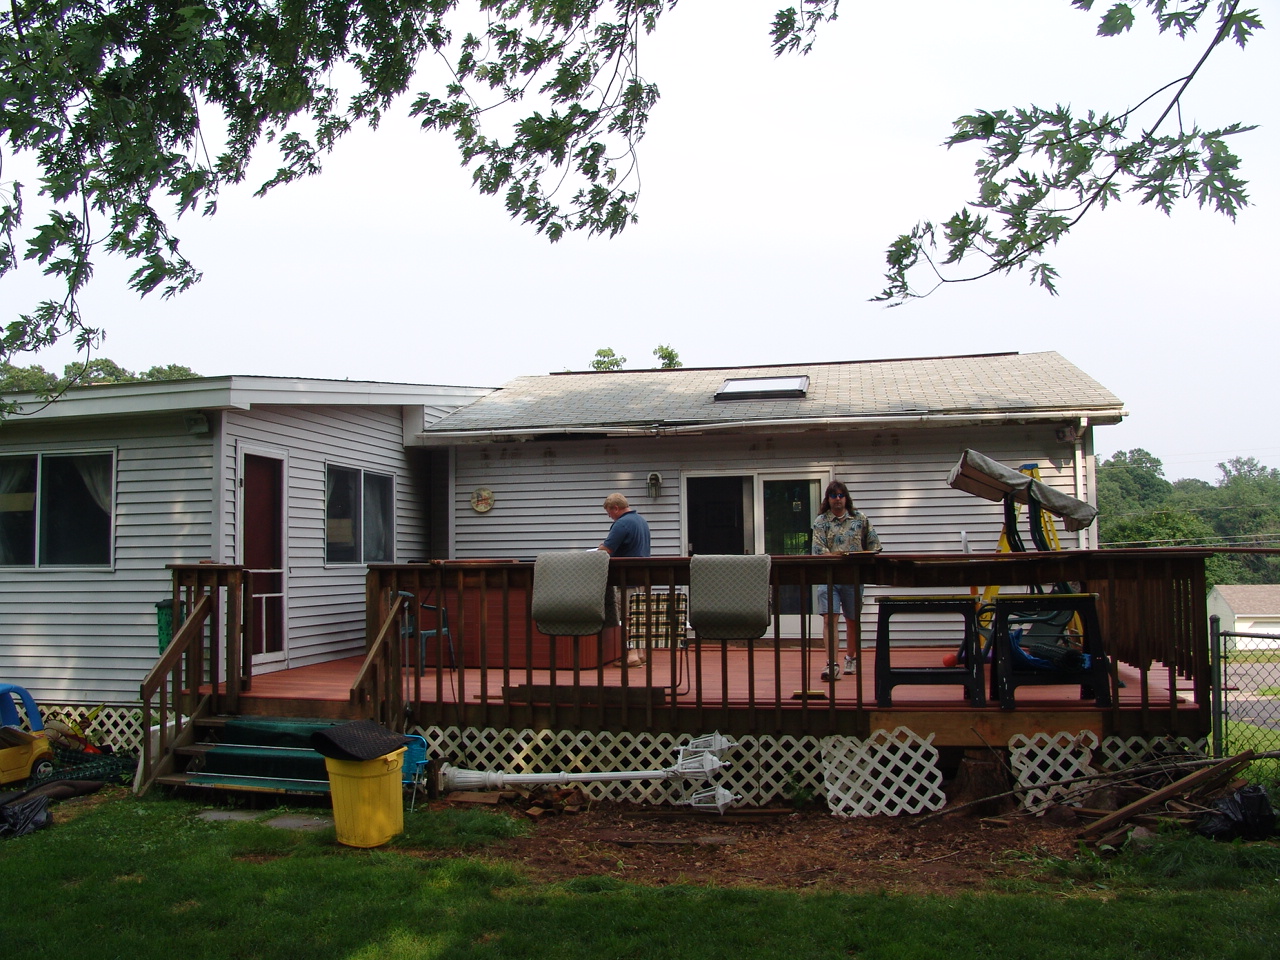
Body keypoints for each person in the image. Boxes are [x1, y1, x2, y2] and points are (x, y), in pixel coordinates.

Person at [811, 480, 881, 682]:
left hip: (854, 578)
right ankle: (831, 664)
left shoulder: (860, 519)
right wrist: (840, 557)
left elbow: (874, 546)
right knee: (829, 619)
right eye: (834, 496)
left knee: (852, 619)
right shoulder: (821, 522)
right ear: (828, 499)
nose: (838, 499)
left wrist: (862, 560)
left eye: (841, 495)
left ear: (846, 498)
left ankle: (851, 657)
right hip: (828, 578)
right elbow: (818, 551)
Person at [597, 493, 651, 666]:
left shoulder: (622, 523)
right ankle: (641, 653)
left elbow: (607, 549)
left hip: (625, 579)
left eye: (609, 513)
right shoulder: (641, 521)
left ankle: (632, 654)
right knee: (637, 616)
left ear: (616, 508)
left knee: (626, 617)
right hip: (641, 577)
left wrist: (598, 549)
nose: (609, 516)